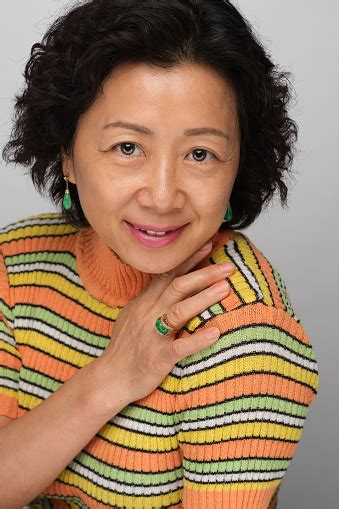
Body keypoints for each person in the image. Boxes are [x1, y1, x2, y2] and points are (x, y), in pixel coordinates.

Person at [0, 0, 319, 508]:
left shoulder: (244, 329)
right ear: (68, 154)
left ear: (238, 165)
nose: (163, 196)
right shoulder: (14, 264)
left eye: (200, 154)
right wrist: (109, 379)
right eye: (128, 147)